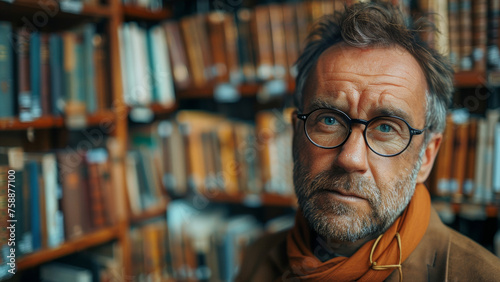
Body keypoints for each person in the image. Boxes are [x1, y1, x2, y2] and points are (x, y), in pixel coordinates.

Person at [237, 1, 500, 281]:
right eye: (329, 120)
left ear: (426, 157)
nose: (350, 158)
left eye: (386, 127)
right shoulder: (256, 259)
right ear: (295, 137)